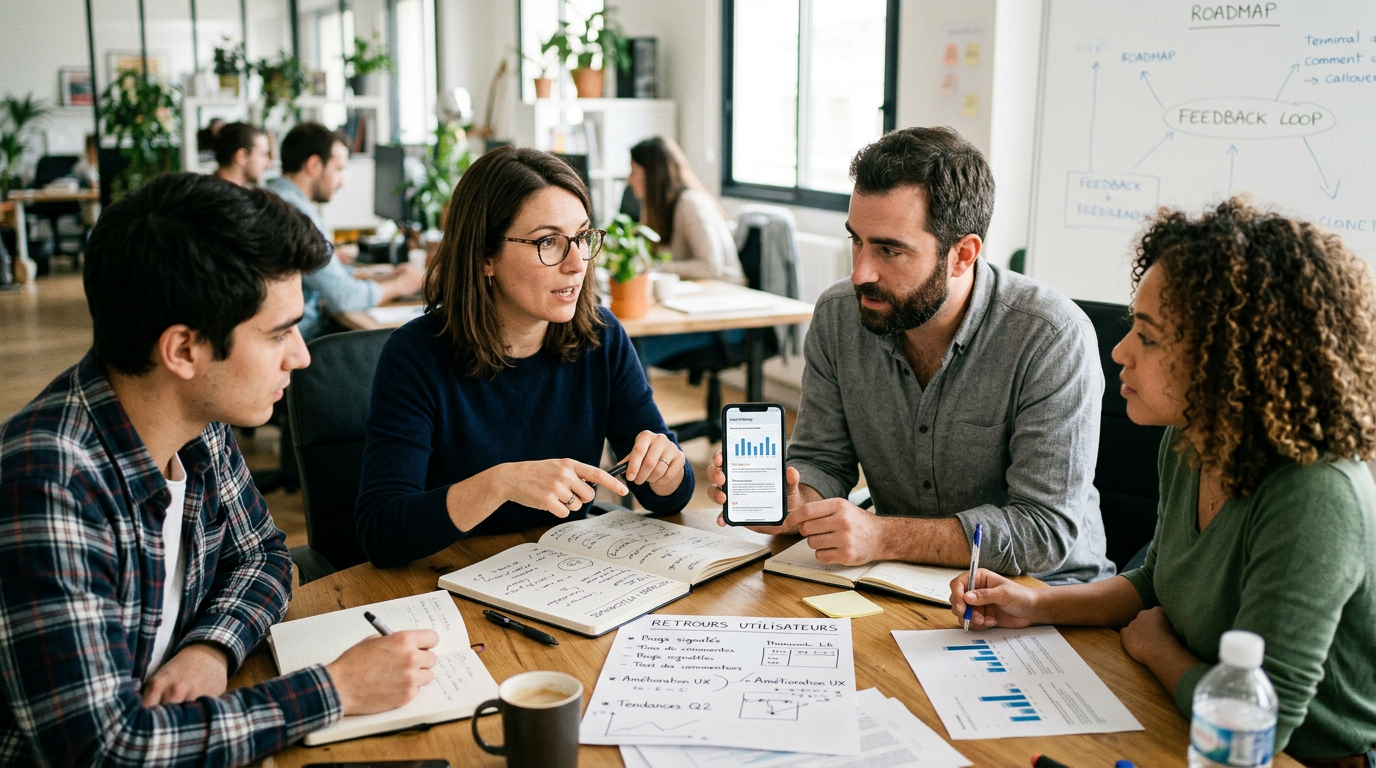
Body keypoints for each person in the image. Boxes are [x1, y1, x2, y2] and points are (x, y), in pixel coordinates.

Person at [0, 173, 439, 766]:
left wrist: (212, 646)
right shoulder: (48, 482)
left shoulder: (197, 420)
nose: (302, 354)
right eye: (279, 332)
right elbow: (102, 750)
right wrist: (336, 689)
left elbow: (266, 557)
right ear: (183, 351)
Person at [952, 198, 1376, 763]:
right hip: (1177, 712)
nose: (1120, 350)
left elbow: (1262, 727)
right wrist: (1036, 605)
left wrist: (1157, 649)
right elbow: (1157, 582)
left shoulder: (1313, 493)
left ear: (1229, 358)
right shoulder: (1191, 441)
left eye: (1148, 337)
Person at [708, 126, 1113, 584]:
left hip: (1044, 593)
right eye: (856, 240)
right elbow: (823, 461)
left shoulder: (1051, 337)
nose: (860, 272)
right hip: (901, 580)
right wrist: (795, 505)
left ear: (963, 254)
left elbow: (1043, 530)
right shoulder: (840, 316)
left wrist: (883, 536)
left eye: (890, 250)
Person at [355, 147, 695, 568]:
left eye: (582, 238)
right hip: (449, 578)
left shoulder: (600, 336)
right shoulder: (416, 355)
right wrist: (499, 483)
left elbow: (669, 499)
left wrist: (667, 468)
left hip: (563, 573)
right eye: (548, 242)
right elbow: (381, 532)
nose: (576, 264)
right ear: (485, 257)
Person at [266, 122, 422, 340]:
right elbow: (343, 297)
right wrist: (401, 285)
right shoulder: (295, 214)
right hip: (304, 338)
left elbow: (320, 276)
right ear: (314, 165)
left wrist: (377, 276)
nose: (342, 181)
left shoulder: (274, 197)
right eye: (338, 169)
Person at [627, 135, 747, 368]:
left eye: (634, 171)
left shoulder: (690, 204)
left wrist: (654, 267)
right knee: (621, 344)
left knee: (629, 351)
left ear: (652, 174)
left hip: (723, 321)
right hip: (694, 311)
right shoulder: (658, 209)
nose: (629, 179)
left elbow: (710, 267)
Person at [213, 121, 271, 187]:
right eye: (262, 155)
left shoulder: (208, 189)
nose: (267, 163)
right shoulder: (217, 195)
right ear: (241, 156)